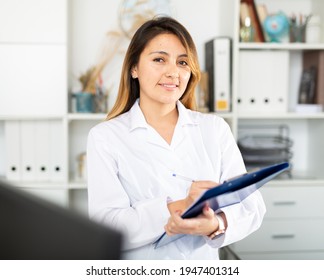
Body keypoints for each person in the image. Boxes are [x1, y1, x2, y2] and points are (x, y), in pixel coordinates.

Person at [87, 16, 266, 260]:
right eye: (159, 59)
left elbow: (251, 206)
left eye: (182, 62)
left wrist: (215, 225)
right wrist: (179, 207)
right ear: (134, 68)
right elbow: (106, 226)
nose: (173, 72)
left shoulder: (214, 129)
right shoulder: (106, 137)